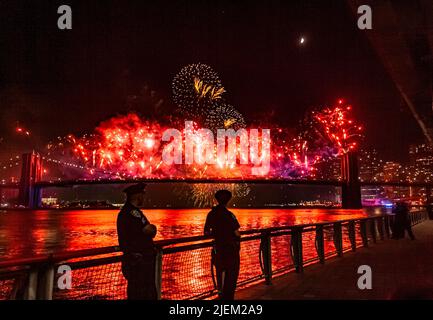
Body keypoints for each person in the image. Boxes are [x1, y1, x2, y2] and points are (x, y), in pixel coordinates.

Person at [117, 182, 158, 300]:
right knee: (142, 293)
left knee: (138, 292)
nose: (144, 197)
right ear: (137, 196)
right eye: (143, 194)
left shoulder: (128, 212)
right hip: (139, 261)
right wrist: (152, 229)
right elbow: (147, 230)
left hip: (136, 260)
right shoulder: (132, 213)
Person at [204, 190, 241, 300]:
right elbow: (237, 233)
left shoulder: (211, 214)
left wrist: (216, 234)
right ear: (227, 201)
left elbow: (206, 232)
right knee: (231, 276)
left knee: (219, 272)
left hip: (218, 249)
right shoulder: (230, 215)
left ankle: (220, 295)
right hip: (231, 250)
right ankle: (228, 299)